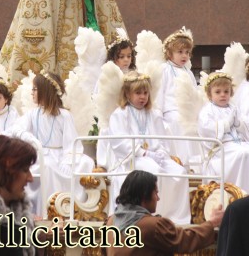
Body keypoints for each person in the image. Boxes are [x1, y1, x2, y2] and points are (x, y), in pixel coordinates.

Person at [97, 71, 191, 224]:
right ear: (127, 94)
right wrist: (145, 153)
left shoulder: (154, 114)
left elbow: (162, 139)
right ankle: (153, 215)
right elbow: (120, 143)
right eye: (138, 93)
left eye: (146, 93)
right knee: (153, 172)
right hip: (133, 158)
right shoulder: (120, 114)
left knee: (179, 173)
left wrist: (160, 152)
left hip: (156, 156)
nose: (143, 97)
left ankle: (175, 217)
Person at [11, 70, 94, 216]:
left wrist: (68, 160)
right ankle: (46, 210)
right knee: (47, 166)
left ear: (45, 91)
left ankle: (70, 207)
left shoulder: (64, 116)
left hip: (61, 153)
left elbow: (71, 142)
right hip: (41, 154)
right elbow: (16, 128)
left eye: (35, 89)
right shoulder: (32, 114)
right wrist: (25, 135)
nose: (32, 93)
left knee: (86, 162)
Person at [106, 170, 223, 256]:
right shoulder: (153, 225)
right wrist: (212, 223)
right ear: (144, 195)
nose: (158, 198)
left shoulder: (110, 222)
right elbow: (185, 240)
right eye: (155, 193)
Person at [198, 71, 249, 193]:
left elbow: (245, 129)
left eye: (226, 91)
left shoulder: (234, 108)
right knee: (243, 153)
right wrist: (225, 124)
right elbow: (206, 130)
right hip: (220, 149)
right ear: (210, 94)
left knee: (245, 151)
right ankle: (240, 192)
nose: (223, 95)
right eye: (218, 92)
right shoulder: (207, 111)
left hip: (238, 144)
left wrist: (238, 124)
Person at [157, 27, 200, 167]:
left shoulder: (188, 72)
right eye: (180, 52)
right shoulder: (165, 70)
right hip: (171, 112)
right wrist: (159, 115)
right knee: (178, 123)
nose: (184, 56)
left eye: (187, 52)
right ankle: (181, 162)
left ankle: (194, 165)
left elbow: (194, 93)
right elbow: (160, 93)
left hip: (188, 113)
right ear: (169, 53)